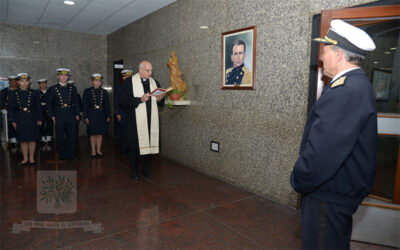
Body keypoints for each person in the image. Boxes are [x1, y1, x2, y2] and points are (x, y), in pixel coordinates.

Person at [290, 19, 377, 250]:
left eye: (325, 50)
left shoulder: (346, 91)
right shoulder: (356, 85)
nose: (322, 57)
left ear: (338, 55)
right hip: (337, 192)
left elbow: (324, 153)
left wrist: (299, 179)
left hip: (328, 193)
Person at [119, 61, 165, 180]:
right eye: (147, 70)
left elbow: (161, 104)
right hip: (135, 121)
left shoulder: (155, 83)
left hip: (151, 120)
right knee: (135, 147)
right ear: (140, 70)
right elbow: (123, 102)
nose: (150, 73)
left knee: (148, 146)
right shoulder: (129, 82)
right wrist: (140, 99)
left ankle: (146, 169)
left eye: (151, 71)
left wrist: (160, 99)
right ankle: (134, 171)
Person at [8, 73, 42, 166]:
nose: (24, 83)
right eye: (22, 81)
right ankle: (25, 159)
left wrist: (39, 118)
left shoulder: (34, 93)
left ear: (29, 82)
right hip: (20, 119)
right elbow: (10, 109)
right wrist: (13, 121)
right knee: (23, 140)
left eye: (26, 81)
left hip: (32, 118)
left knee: (32, 139)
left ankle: (31, 159)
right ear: (18, 82)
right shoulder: (13, 93)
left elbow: (39, 107)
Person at [47, 68, 81, 160]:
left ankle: (71, 155)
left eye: (66, 75)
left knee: (72, 136)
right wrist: (52, 116)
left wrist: (78, 113)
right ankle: (61, 155)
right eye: (62, 75)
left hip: (71, 114)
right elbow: (49, 104)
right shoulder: (53, 89)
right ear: (58, 76)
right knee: (59, 137)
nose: (64, 77)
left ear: (68, 77)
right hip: (59, 115)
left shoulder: (72, 88)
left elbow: (76, 102)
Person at [82, 73, 110, 158]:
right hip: (91, 114)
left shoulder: (104, 92)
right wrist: (85, 116)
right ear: (92, 81)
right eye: (95, 81)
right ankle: (93, 151)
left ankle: (99, 150)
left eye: (99, 81)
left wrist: (108, 115)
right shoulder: (87, 91)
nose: (97, 83)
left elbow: (107, 105)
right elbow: (84, 105)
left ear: (101, 82)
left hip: (101, 114)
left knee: (100, 134)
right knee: (93, 134)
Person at [114, 69, 133, 154]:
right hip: (123, 113)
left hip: (132, 113)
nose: (127, 78)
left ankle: (131, 148)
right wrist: (117, 113)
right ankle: (124, 149)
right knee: (124, 132)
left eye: (129, 76)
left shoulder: (134, 87)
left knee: (131, 132)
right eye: (126, 76)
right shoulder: (119, 87)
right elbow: (116, 101)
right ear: (123, 77)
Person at [1, 75, 19, 148]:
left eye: (15, 81)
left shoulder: (20, 90)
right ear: (9, 82)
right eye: (11, 81)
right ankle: (12, 141)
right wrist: (2, 109)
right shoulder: (4, 91)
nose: (13, 83)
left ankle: (19, 140)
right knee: (10, 126)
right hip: (7, 113)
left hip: (19, 112)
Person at [37, 78, 53, 146]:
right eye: (41, 83)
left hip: (49, 112)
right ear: (39, 85)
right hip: (41, 112)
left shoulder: (51, 92)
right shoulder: (37, 93)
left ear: (46, 84)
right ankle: (43, 139)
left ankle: (49, 139)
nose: (43, 85)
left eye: (44, 83)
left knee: (49, 125)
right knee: (41, 126)